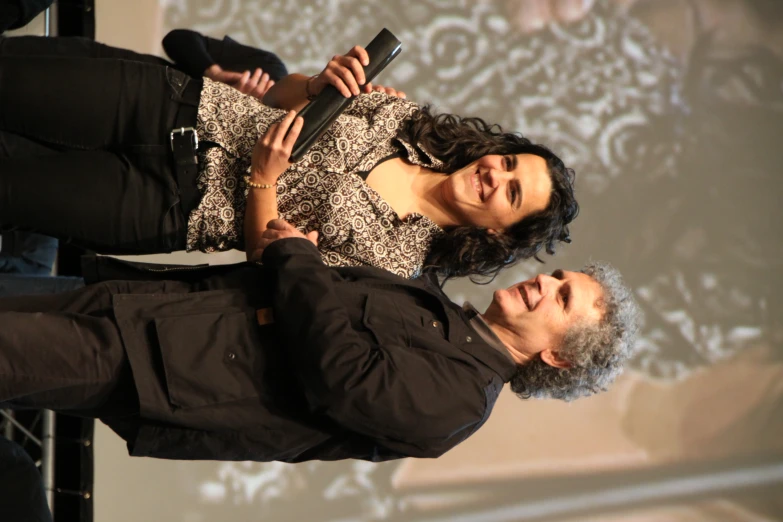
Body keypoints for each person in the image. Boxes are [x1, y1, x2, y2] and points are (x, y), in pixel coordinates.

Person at [0, 217, 639, 462]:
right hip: (149, 307)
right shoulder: (437, 302)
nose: (543, 282)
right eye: (557, 274)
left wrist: (297, 259)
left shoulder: (459, 405)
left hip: (167, 366)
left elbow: (342, 372)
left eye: (562, 298)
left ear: (556, 356)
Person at [0, 36, 578, 280]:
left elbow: (265, 263)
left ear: (502, 235)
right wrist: (317, 83)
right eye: (507, 162)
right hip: (173, 105)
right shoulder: (411, 123)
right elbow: (280, 97)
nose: (493, 175)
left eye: (511, 191)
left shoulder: (399, 265)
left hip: (169, 205)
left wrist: (262, 181)